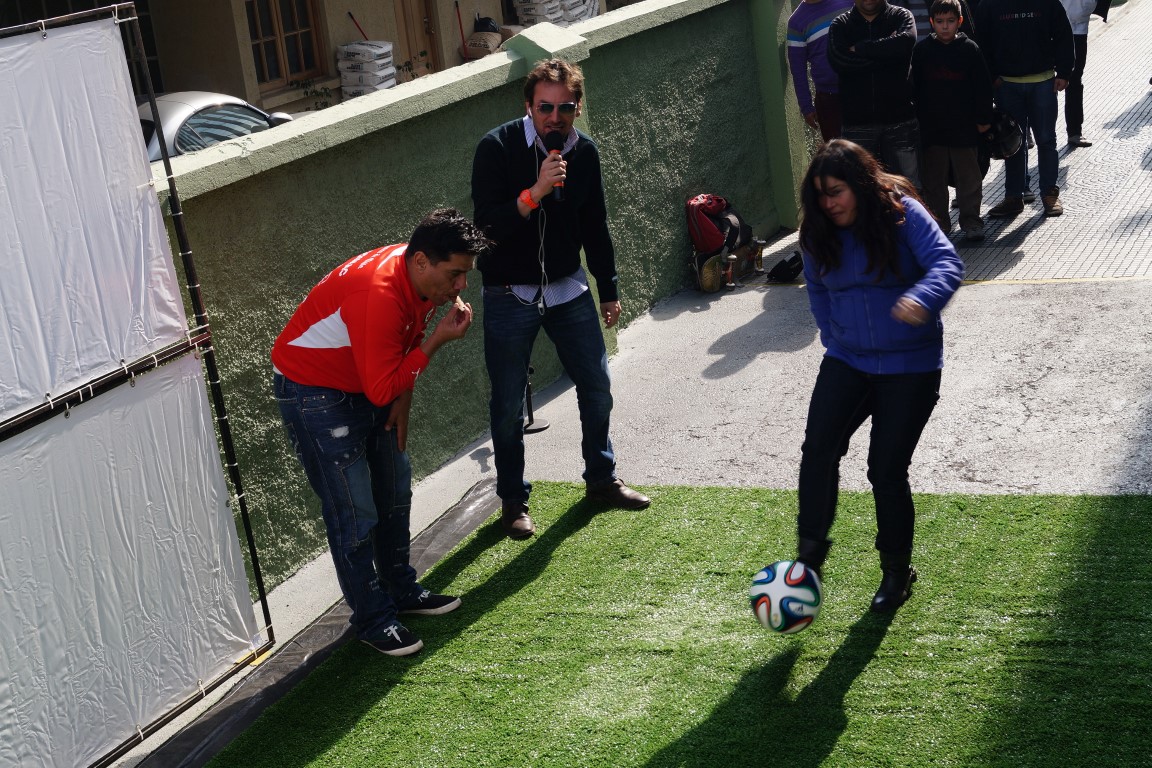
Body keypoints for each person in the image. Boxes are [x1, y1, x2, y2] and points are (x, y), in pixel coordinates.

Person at [271, 209, 490, 657]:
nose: (462, 285)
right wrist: (437, 342)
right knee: (355, 512)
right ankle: (373, 620)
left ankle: (400, 591)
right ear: (422, 261)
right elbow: (384, 385)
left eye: (465, 274)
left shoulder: (418, 276)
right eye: (455, 274)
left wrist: (404, 396)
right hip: (315, 394)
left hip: (365, 383)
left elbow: (398, 355)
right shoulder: (380, 293)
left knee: (394, 492)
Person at [470, 58, 650, 541]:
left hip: (568, 288)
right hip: (509, 292)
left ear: (577, 108)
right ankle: (513, 500)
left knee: (598, 385)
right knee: (508, 404)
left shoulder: (584, 153)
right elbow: (484, 228)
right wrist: (535, 192)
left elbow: (596, 224)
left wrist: (608, 289)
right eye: (545, 107)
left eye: (564, 108)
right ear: (528, 106)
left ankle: (602, 478)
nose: (555, 117)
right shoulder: (496, 147)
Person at [792, 139, 963, 613]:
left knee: (885, 470)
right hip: (848, 360)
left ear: (861, 185)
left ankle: (895, 571)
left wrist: (922, 298)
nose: (829, 203)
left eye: (837, 192)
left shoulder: (901, 214)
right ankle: (809, 559)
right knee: (818, 449)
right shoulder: (817, 231)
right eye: (820, 195)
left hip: (911, 365)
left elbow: (947, 263)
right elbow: (818, 292)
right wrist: (834, 337)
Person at [977, 0, 1074, 217]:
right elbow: (982, 42)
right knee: (1011, 142)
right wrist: (992, 76)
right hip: (1006, 84)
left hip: (1043, 81)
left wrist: (1064, 72)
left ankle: (1049, 194)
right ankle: (1014, 196)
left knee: (1046, 140)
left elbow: (1063, 35)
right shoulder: (989, 5)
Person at [910, 0, 994, 240]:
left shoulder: (970, 49)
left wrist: (983, 118)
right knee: (933, 181)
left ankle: (971, 221)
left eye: (950, 21)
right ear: (931, 22)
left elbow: (982, 87)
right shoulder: (922, 51)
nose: (945, 27)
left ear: (959, 22)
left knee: (969, 178)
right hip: (932, 129)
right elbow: (914, 88)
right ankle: (939, 223)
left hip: (964, 128)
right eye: (939, 22)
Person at [828, 0, 922, 188]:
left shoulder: (901, 16)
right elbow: (839, 61)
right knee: (859, 190)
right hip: (857, 125)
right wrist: (888, 57)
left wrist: (860, 49)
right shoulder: (840, 25)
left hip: (900, 122)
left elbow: (905, 43)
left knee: (909, 189)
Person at [787, 0, 856, 143]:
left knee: (869, 149)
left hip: (863, 88)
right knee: (838, 152)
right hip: (829, 99)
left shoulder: (849, 2)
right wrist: (806, 106)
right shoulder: (796, 23)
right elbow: (798, 69)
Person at [1060, 0, 1096, 148]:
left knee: (1074, 80)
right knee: (1042, 81)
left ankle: (1075, 132)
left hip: (1078, 30)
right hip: (1048, 28)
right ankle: (1028, 131)